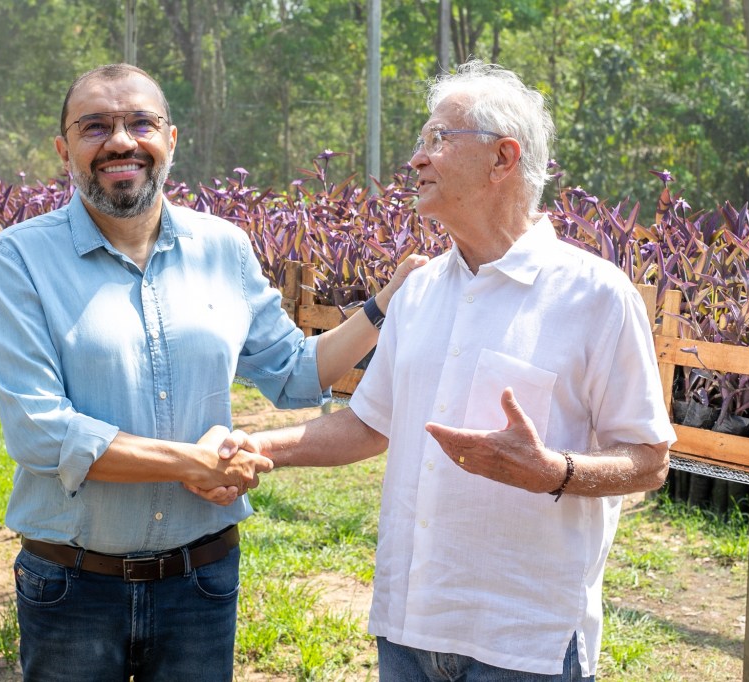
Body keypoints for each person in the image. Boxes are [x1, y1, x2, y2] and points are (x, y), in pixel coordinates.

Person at [200, 60, 676, 681]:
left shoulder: (596, 296)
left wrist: (553, 472)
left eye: (437, 139)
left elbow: (649, 460)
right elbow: (369, 425)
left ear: (503, 158)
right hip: (408, 625)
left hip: (524, 642)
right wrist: (256, 447)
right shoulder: (419, 291)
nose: (416, 159)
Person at [0, 63, 424, 682]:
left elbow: (293, 372)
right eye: (95, 127)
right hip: (73, 584)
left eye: (141, 123)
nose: (121, 141)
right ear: (64, 150)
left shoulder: (223, 248)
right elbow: (39, 432)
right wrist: (193, 463)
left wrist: (383, 305)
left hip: (200, 582)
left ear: (171, 139)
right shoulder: (21, 257)